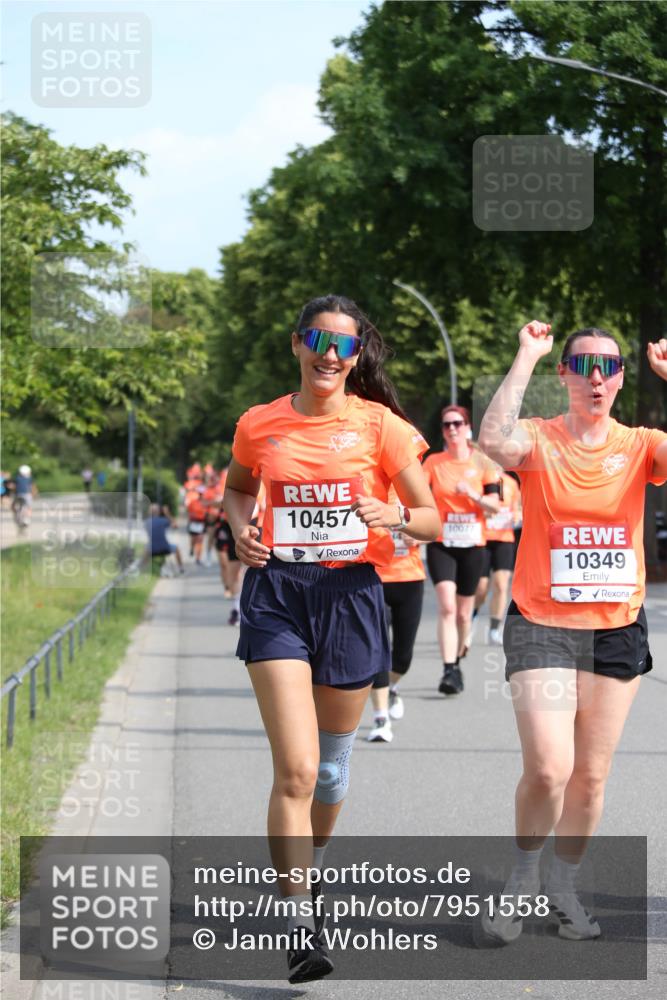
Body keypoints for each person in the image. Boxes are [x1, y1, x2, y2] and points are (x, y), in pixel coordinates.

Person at [223, 294, 439, 983]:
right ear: (297, 345)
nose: (329, 354)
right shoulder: (260, 424)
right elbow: (235, 489)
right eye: (318, 340)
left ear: (356, 356)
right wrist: (238, 527)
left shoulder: (382, 427)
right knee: (294, 769)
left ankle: (305, 873)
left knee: (330, 772)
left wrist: (396, 513)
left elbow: (433, 519)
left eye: (343, 345)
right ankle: (297, 924)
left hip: (350, 596)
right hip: (278, 596)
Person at [477, 322, 667, 944]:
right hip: (542, 626)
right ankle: (523, 879)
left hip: (615, 628)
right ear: (565, 373)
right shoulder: (538, 438)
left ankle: (564, 886)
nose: (595, 376)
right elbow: (492, 439)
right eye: (582, 364)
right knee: (551, 767)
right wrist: (527, 355)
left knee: (590, 776)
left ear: (619, 378)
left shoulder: (642, 443)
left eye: (608, 367)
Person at [423, 407, 500, 695]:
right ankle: (449, 669)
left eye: (457, 424)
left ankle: (456, 661)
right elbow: (417, 495)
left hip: (473, 545)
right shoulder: (433, 463)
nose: (452, 429)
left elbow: (496, 506)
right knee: (447, 607)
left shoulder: (483, 463)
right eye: (446, 425)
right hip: (442, 543)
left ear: (468, 428)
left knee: (464, 615)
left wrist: (472, 494)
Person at [367, 485, 427, 743]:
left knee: (402, 656)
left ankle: (392, 686)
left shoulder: (411, 486)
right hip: (373, 578)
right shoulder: (366, 482)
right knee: (379, 650)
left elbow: (435, 525)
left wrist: (419, 536)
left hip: (409, 578)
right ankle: (381, 718)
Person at [471, 467, 521, 646]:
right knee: (480, 588)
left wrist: (515, 516)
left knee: (501, 585)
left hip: (504, 539)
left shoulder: (511, 483)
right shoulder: (478, 481)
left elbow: (516, 510)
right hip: (482, 539)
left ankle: (493, 630)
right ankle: (472, 616)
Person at [141, 503, 184, 573]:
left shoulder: (147, 522)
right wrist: (167, 513)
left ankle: (142, 569)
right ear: (159, 511)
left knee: (145, 548)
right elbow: (175, 525)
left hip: (152, 549)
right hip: (165, 547)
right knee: (176, 548)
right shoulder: (163, 520)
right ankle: (181, 568)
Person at [12, 464, 36, 530]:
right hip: (27, 494)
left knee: (15, 506)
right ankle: (27, 519)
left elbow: (14, 487)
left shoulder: (17, 478)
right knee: (29, 507)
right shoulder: (29, 478)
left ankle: (17, 517)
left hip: (18, 495)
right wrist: (34, 495)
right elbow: (32, 487)